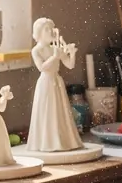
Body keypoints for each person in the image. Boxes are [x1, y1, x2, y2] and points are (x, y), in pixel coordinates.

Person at [27, 17, 81, 152]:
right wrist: (54, 57)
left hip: (57, 82)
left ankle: (62, 140)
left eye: (52, 29)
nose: (51, 31)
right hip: (45, 83)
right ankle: (47, 142)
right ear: (39, 32)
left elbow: (69, 65)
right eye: (47, 29)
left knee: (59, 111)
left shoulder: (55, 48)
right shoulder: (36, 50)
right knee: (47, 111)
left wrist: (72, 54)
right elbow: (42, 67)